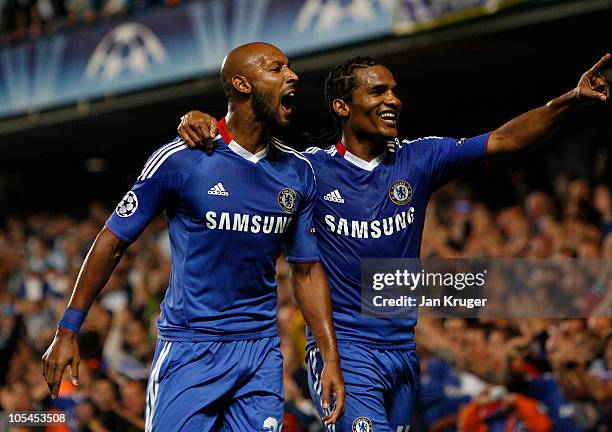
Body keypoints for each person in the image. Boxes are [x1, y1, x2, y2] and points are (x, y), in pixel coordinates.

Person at [177, 53, 610, 432]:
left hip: (402, 351)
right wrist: (203, 122)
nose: (393, 100)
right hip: (344, 353)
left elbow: (505, 140)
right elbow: (243, 151)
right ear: (342, 107)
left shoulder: (419, 159)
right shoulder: (308, 170)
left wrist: (570, 99)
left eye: (394, 91)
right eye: (378, 91)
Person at [41, 42, 345, 432]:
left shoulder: (297, 172)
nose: (292, 75)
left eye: (289, 67)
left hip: (260, 353)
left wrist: (330, 357)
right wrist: (68, 329)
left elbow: (305, 270)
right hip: (190, 349)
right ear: (242, 84)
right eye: (276, 68)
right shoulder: (182, 159)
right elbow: (112, 241)